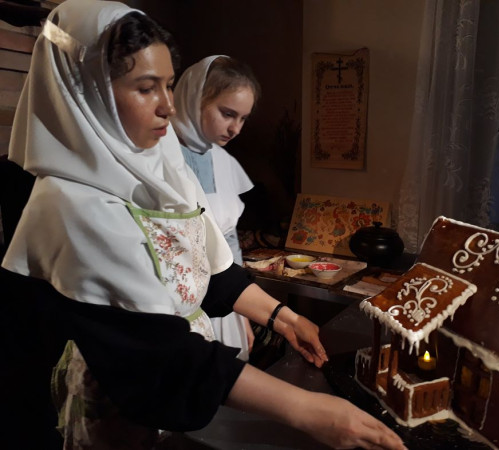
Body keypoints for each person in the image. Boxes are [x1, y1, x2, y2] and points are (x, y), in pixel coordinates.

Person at [0, 0, 406, 449]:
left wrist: (284, 317)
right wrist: (308, 410)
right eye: (145, 88)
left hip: (186, 373)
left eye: (169, 85)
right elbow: (157, 354)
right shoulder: (71, 204)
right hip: (129, 397)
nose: (167, 106)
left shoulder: (163, 168)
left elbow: (206, 269)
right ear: (85, 92)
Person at [172, 56, 259, 360]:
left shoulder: (224, 161)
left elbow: (230, 241)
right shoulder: (161, 155)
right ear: (195, 98)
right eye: (227, 114)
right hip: (179, 305)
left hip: (225, 299)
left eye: (243, 118)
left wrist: (242, 313)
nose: (236, 129)